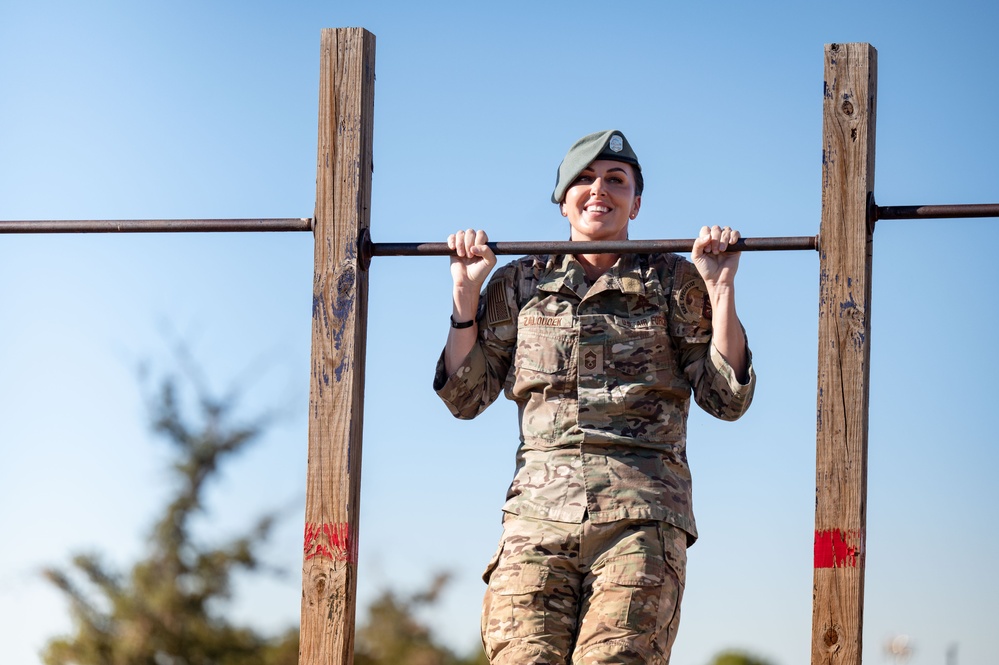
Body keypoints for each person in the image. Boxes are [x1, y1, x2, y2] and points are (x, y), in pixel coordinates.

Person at [433, 130, 756, 665]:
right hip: (537, 522)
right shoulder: (519, 282)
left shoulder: (674, 279)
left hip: (639, 520)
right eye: (583, 179)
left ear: (637, 201)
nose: (598, 190)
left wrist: (720, 291)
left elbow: (726, 398)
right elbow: (466, 397)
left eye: (616, 179)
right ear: (562, 201)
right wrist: (465, 298)